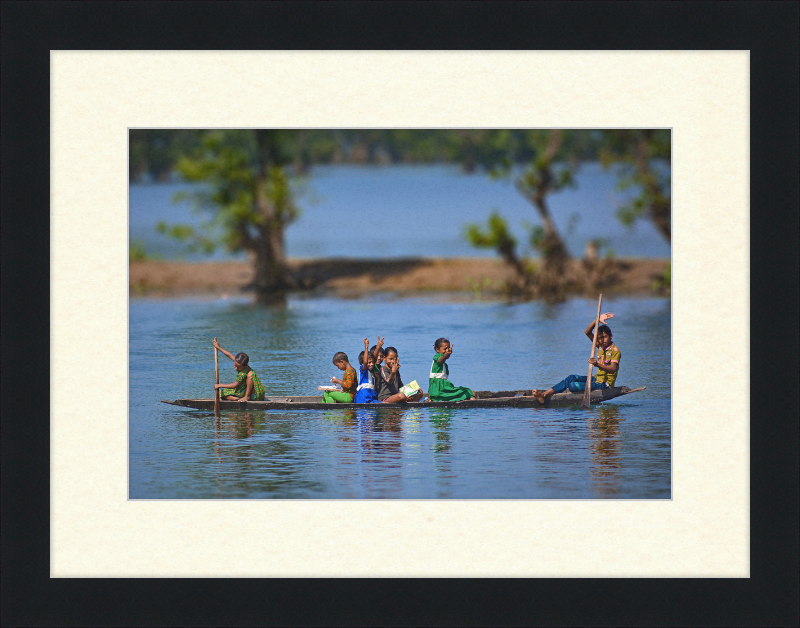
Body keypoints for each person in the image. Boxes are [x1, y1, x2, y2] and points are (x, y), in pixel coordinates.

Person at [531, 312, 620, 404]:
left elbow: (612, 370)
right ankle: (544, 395)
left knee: (572, 385)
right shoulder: (601, 346)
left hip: (604, 385)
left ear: (611, 336)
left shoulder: (615, 351)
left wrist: (596, 364)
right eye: (600, 338)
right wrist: (597, 320)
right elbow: (587, 332)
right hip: (596, 379)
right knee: (571, 378)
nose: (602, 340)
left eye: (605, 337)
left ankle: (547, 395)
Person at [212, 337, 266, 402]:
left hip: (255, 395)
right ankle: (238, 400)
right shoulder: (241, 363)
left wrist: (219, 385)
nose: (236, 368)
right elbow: (229, 355)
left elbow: (235, 385)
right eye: (235, 365)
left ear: (246, 365)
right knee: (222, 393)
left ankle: (246, 397)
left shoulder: (243, 372)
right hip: (245, 390)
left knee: (250, 374)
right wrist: (218, 347)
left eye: (238, 367)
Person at [354, 337, 381, 404]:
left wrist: (377, 378)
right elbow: (365, 362)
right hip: (364, 396)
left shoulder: (372, 373)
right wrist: (366, 347)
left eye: (372, 362)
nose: (371, 364)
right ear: (362, 363)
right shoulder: (363, 370)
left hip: (371, 395)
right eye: (369, 362)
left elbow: (375, 387)